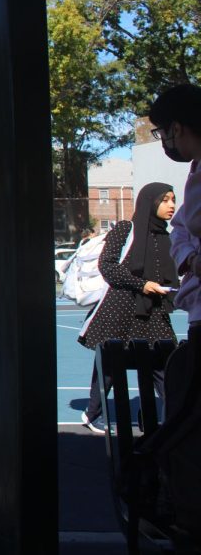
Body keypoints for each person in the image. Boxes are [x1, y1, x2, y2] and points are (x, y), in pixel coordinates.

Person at [78, 182, 178, 432]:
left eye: (173, 200)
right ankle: (93, 413)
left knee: (163, 363)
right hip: (121, 308)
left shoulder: (167, 236)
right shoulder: (126, 229)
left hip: (154, 311)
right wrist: (142, 285)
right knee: (111, 364)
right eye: (165, 200)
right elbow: (108, 266)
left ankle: (170, 415)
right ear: (150, 202)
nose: (172, 206)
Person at [153, 84, 201, 343]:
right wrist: (192, 260)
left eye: (162, 132)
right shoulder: (195, 171)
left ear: (177, 128)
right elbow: (180, 229)